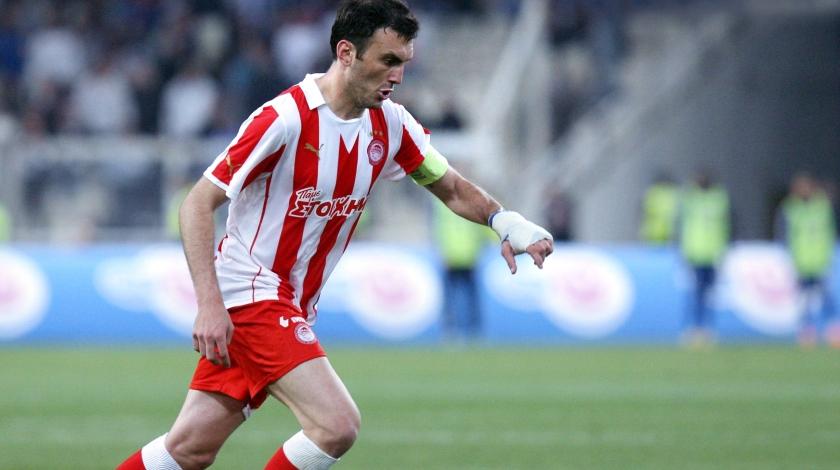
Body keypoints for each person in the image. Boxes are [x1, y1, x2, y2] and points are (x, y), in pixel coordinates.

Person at [116, 2, 554, 469]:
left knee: (189, 449)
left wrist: (505, 221)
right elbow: (196, 204)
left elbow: (450, 186)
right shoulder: (284, 119)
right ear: (347, 53)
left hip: (291, 303)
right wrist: (209, 304)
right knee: (335, 424)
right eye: (388, 60)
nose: (398, 76)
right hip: (252, 294)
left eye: (404, 63)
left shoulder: (391, 123)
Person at [776, 173, 837, 347]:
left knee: (825, 297)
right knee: (803, 299)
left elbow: (831, 229)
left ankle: (833, 329)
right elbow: (783, 232)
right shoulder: (791, 208)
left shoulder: (823, 205)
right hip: (801, 261)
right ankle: (806, 331)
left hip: (820, 260)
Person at [678, 170, 730, 346]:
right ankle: (693, 329)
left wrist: (724, 249)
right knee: (695, 293)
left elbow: (728, 224)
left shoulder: (719, 198)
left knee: (709, 294)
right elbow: (680, 224)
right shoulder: (689, 198)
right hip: (695, 253)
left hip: (713, 253)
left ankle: (707, 329)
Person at [433, 197, 495, 340]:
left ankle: (454, 331)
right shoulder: (472, 199)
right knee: (468, 297)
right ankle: (470, 331)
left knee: (454, 297)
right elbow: (483, 226)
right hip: (466, 255)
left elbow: (438, 228)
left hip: (457, 255)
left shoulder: (441, 201)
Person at [640, 172, 679, 245]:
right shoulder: (672, 193)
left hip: (654, 230)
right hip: (664, 230)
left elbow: (645, 209)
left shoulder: (653, 192)